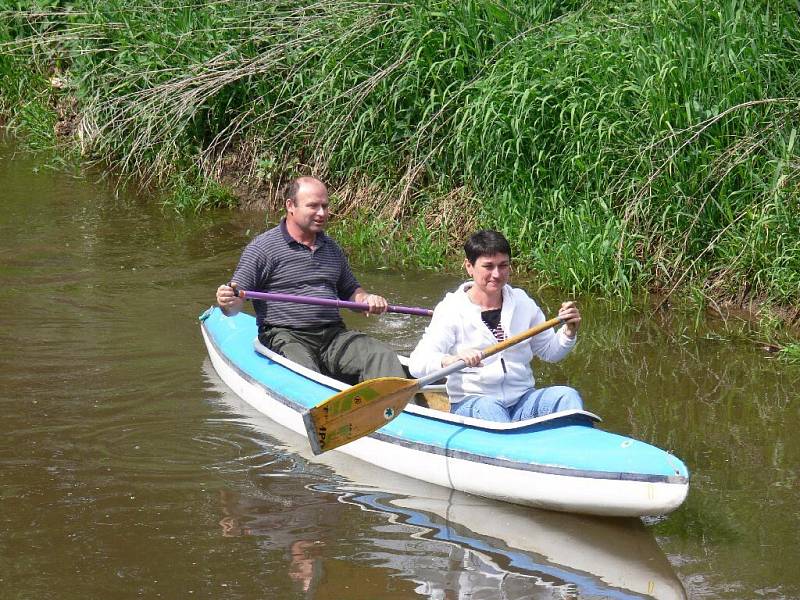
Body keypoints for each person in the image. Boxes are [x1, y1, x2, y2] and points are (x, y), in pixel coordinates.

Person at [215, 176, 406, 383]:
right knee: (306, 373)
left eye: (325, 206)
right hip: (286, 336)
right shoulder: (262, 249)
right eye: (313, 206)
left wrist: (367, 300)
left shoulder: (332, 249)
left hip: (333, 335)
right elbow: (234, 303)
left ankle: (398, 411)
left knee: (381, 355)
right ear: (291, 206)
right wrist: (228, 301)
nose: (322, 213)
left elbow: (352, 292)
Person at [408, 230, 583, 422]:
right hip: (474, 402)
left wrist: (568, 332)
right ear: (469, 266)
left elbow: (551, 352)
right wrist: (451, 359)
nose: (497, 274)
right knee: (491, 410)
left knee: (567, 397)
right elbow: (418, 364)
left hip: (522, 400)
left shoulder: (522, 302)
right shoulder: (451, 309)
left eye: (503, 266)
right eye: (488, 267)